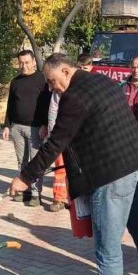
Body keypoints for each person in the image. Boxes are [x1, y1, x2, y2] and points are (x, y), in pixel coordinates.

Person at [8, 54, 138, 275]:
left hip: (113, 174)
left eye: (52, 81)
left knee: (108, 247)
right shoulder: (102, 82)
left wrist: (26, 177)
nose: (50, 87)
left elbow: (55, 142)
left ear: (67, 71)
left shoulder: (74, 97)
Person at [42, 53, 95, 213]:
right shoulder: (59, 90)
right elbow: (53, 111)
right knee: (60, 168)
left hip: (79, 141)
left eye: (52, 81)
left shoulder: (87, 89)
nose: (51, 87)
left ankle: (78, 200)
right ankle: (59, 198)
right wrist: (53, 132)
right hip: (61, 136)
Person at [2, 50, 51, 207]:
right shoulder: (15, 81)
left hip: (35, 128)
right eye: (21, 62)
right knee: (21, 162)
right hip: (17, 127)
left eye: (27, 62)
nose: (24, 65)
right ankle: (25, 190)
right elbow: (10, 104)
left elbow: (47, 103)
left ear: (33, 62)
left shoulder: (41, 79)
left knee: (35, 161)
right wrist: (7, 126)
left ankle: (36, 193)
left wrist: (44, 124)